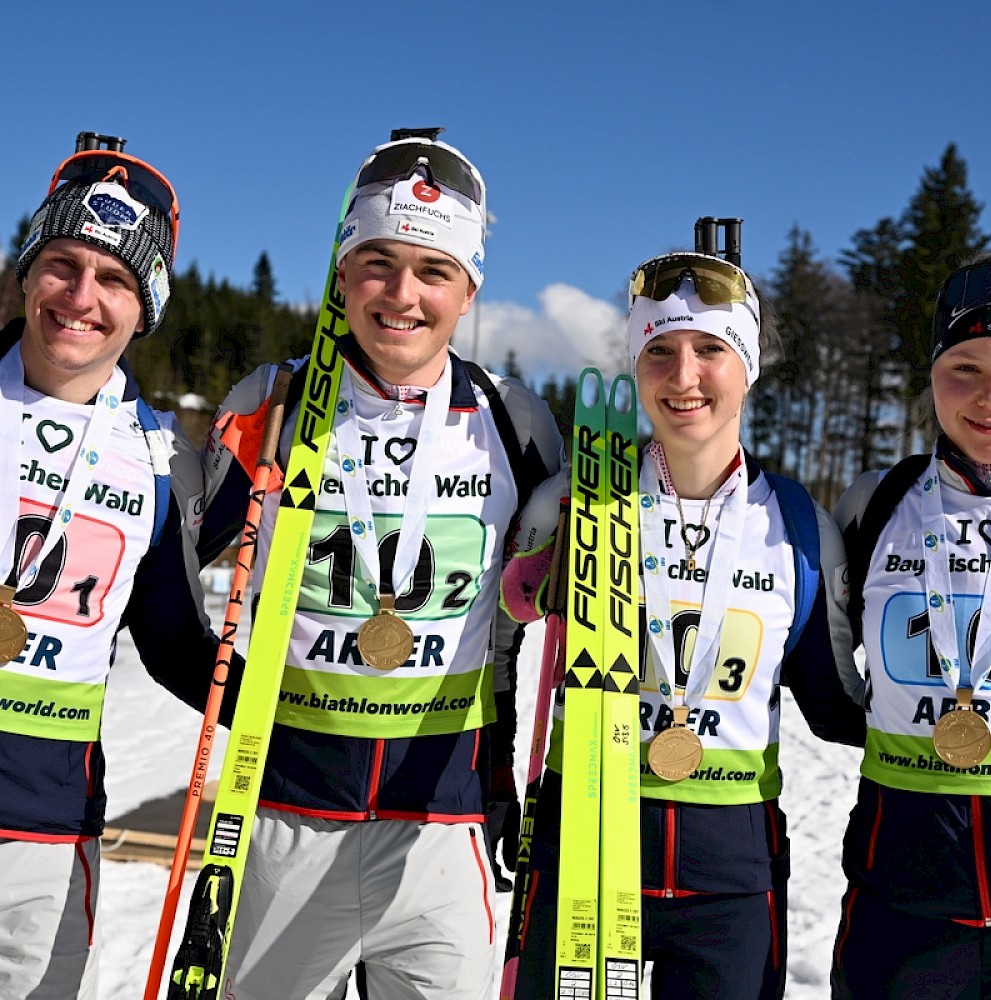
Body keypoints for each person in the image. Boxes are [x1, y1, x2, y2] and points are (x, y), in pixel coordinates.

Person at [196, 129, 566, 1000]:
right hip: (288, 809)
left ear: (469, 287)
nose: (403, 294)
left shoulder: (514, 421)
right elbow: (165, 568)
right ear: (341, 273)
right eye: (377, 263)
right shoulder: (273, 401)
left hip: (443, 820)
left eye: (433, 271)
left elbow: (538, 609)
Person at [502, 241, 867, 999]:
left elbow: (835, 706)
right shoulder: (575, 504)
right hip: (584, 845)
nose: (684, 375)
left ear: (749, 366)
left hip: (731, 872)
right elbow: (500, 635)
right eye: (659, 351)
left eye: (711, 349)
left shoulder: (800, 526)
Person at [0, 132, 227, 999]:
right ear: (28, 272)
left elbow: (172, 638)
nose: (81, 297)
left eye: (116, 280)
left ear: (146, 308)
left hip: (47, 835)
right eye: (62, 263)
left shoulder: (158, 458)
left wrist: (289, 707)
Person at [831, 255, 991, 998]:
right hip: (902, 897)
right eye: (964, 365)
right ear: (931, 372)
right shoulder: (878, 502)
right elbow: (821, 660)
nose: (990, 395)